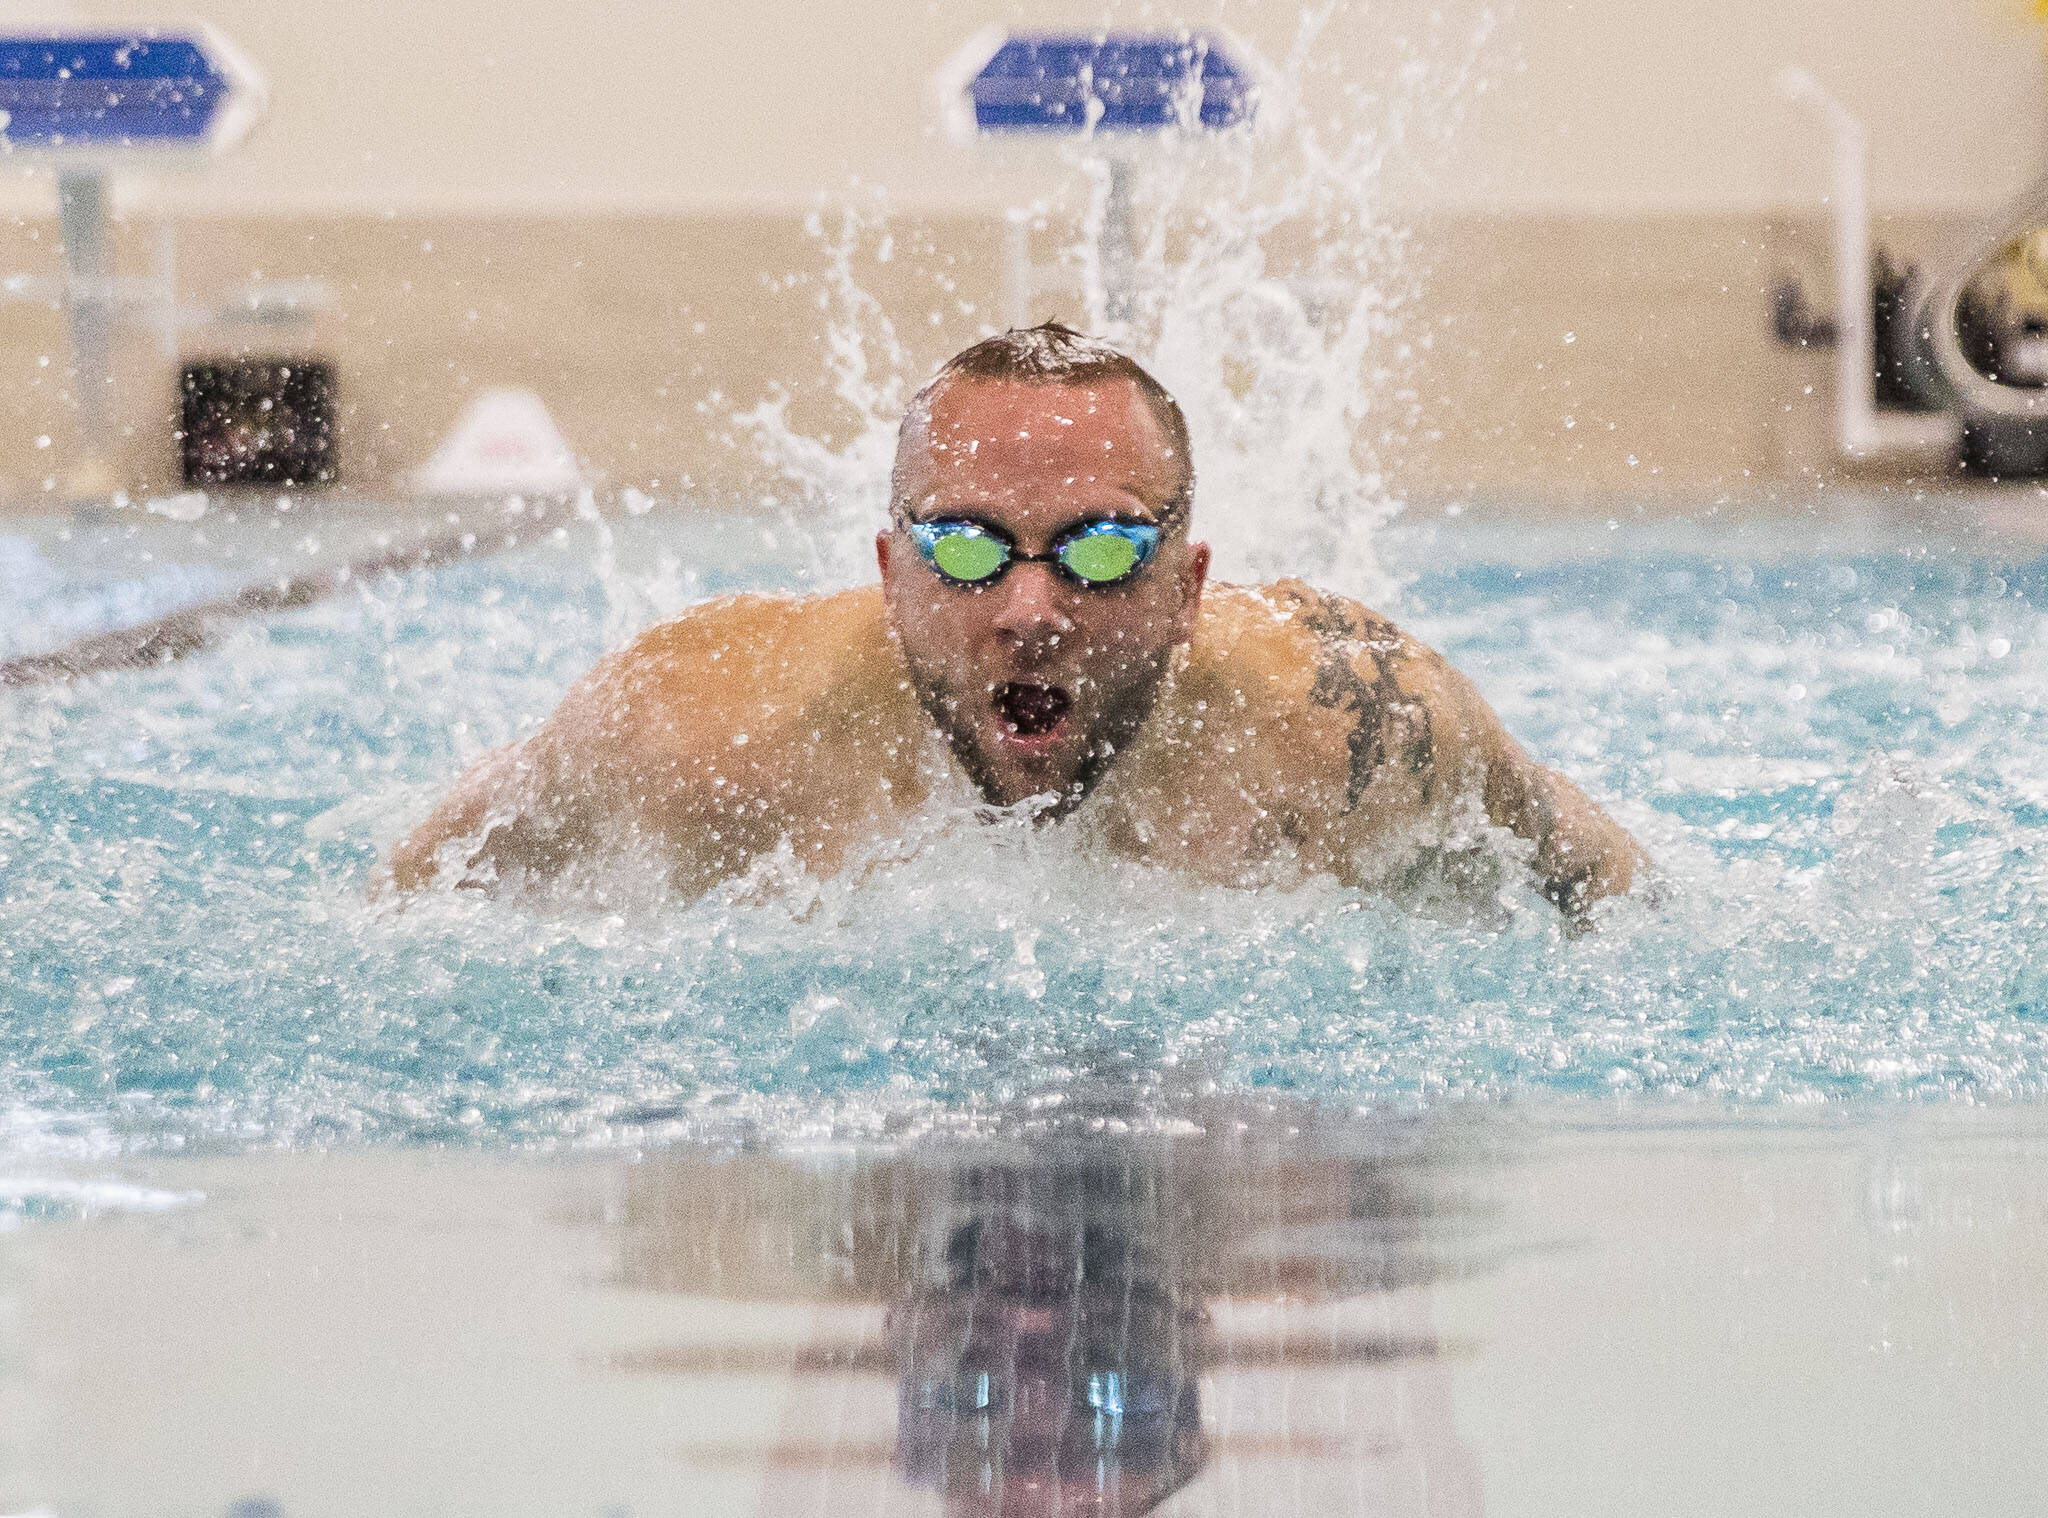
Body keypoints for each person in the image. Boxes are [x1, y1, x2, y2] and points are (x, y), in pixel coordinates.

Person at [387, 321, 1644, 915]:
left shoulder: (1355, 718)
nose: (1029, 611)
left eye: (1101, 552)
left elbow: (1605, 886)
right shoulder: (698, 727)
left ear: (1189, 586)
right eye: (964, 548)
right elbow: (406, 893)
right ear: (888, 571)